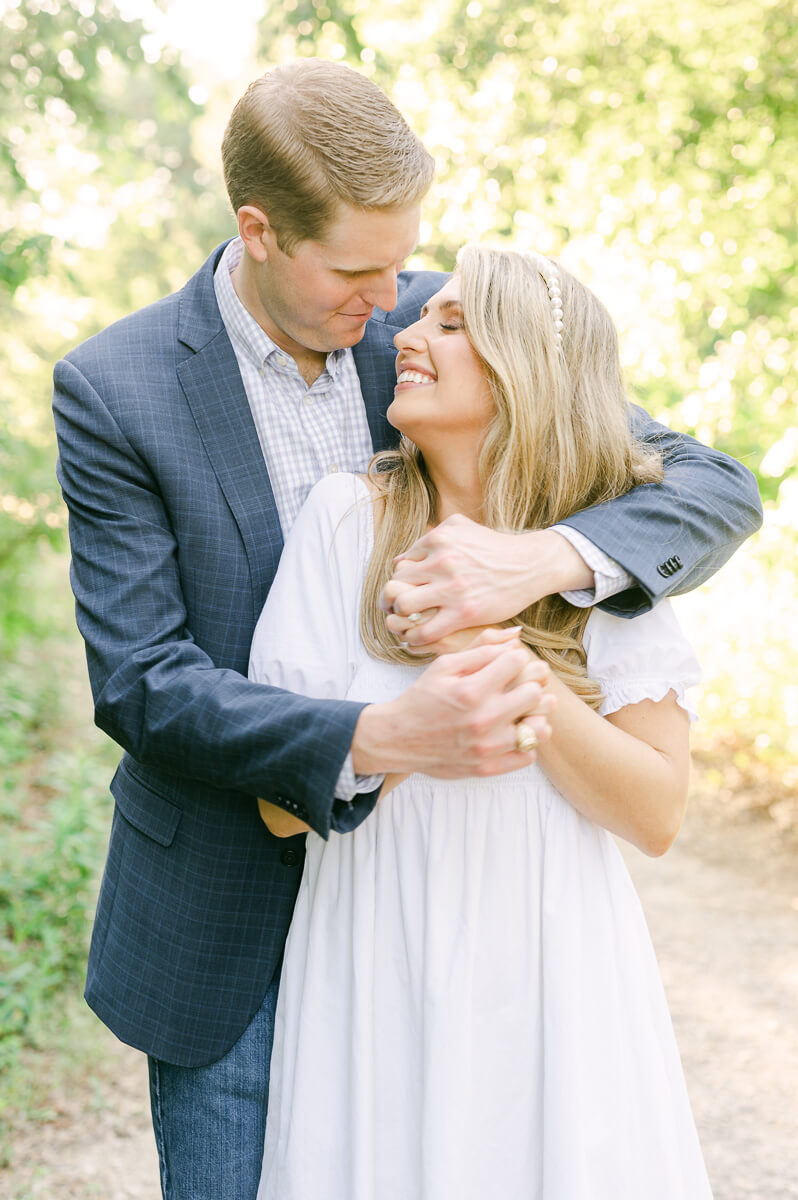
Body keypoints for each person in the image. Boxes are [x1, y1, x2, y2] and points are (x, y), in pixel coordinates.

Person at [51, 60, 757, 1199]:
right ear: (261, 231)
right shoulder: (115, 387)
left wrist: (543, 558)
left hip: (489, 930)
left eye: (403, 262)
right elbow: (142, 680)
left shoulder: (446, 326)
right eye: (358, 270)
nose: (390, 299)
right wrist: (398, 736)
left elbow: (705, 482)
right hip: (232, 899)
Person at [251, 246, 714, 1199]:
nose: (407, 334)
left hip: (555, 959)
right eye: (425, 319)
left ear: (525, 373)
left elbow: (659, 814)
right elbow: (277, 808)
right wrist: (409, 727)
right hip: (377, 948)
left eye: (451, 323)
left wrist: (518, 672)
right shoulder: (346, 521)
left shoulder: (600, 554)